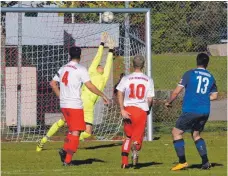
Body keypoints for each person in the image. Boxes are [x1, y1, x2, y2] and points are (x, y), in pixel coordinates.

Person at [36, 32, 115, 152]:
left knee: (87, 133)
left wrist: (111, 50)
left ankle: (69, 140)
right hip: (79, 103)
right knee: (63, 121)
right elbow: (97, 57)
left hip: (88, 107)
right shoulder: (90, 71)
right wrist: (102, 43)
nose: (101, 66)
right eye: (99, 65)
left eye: (102, 67)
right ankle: (44, 140)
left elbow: (108, 64)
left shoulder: (104, 77)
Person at [49, 46, 109, 166]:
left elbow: (53, 83)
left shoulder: (63, 68)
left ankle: (64, 150)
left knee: (72, 131)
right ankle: (67, 160)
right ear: (80, 56)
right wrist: (103, 95)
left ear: (69, 55)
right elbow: (89, 86)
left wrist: (61, 96)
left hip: (64, 105)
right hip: (74, 105)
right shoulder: (80, 69)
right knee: (76, 132)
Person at [165, 53, 218, 171]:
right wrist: (203, 97)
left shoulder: (190, 73)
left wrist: (169, 102)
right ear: (207, 63)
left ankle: (182, 162)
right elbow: (214, 96)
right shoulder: (211, 76)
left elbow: (176, 92)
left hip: (191, 110)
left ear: (197, 61)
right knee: (196, 134)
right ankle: (205, 162)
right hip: (205, 111)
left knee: (176, 133)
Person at [116, 55, 154, 169]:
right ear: (143, 65)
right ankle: (135, 149)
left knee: (128, 136)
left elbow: (119, 92)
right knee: (137, 137)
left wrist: (122, 109)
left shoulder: (126, 78)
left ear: (133, 65)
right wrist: (148, 110)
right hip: (141, 111)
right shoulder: (148, 79)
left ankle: (124, 162)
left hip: (128, 110)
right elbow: (150, 99)